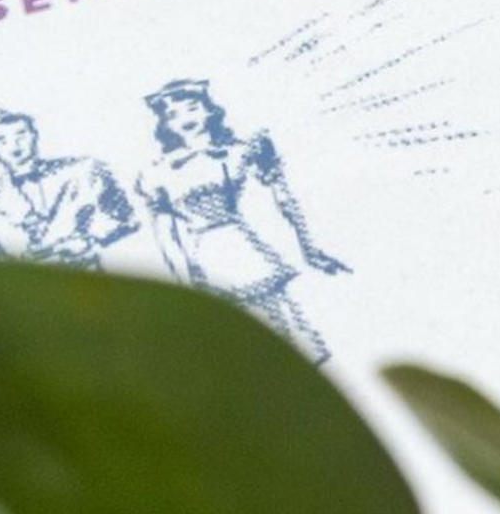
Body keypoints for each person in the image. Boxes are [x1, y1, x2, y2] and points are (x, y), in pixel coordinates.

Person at [135, 77, 351, 360]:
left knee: (279, 326)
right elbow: (165, 234)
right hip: (202, 257)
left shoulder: (237, 152)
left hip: (241, 248)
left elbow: (283, 198)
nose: (185, 118)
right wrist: (181, 283)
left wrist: (310, 250)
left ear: (209, 110)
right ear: (165, 125)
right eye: (173, 114)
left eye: (191, 107)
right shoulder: (158, 173)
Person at [0, 107, 138, 264]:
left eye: (21, 134)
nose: (14, 146)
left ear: (34, 135)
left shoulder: (84, 171)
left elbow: (127, 220)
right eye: (0, 141)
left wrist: (92, 241)